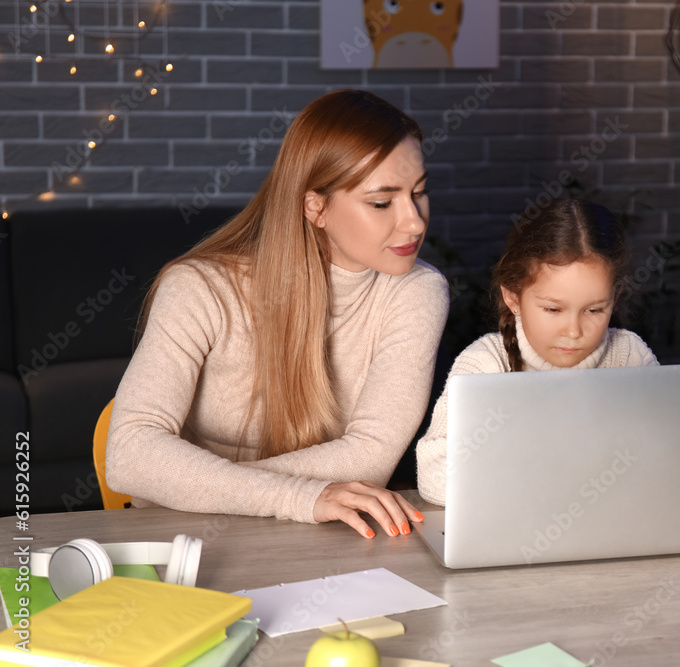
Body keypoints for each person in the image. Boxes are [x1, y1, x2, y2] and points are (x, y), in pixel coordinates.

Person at [107, 90, 449, 539]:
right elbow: (131, 454)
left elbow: (371, 457)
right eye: (382, 202)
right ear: (316, 207)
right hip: (187, 535)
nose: (414, 222)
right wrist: (296, 496)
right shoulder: (200, 288)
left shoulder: (418, 291)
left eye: (419, 193)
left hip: (309, 534)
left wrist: (192, 484)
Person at [415, 198, 680, 536]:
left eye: (595, 310)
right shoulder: (485, 364)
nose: (574, 332)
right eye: (553, 309)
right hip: (517, 539)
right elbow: (434, 472)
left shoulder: (629, 357)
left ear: (614, 298)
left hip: (610, 539)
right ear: (513, 298)